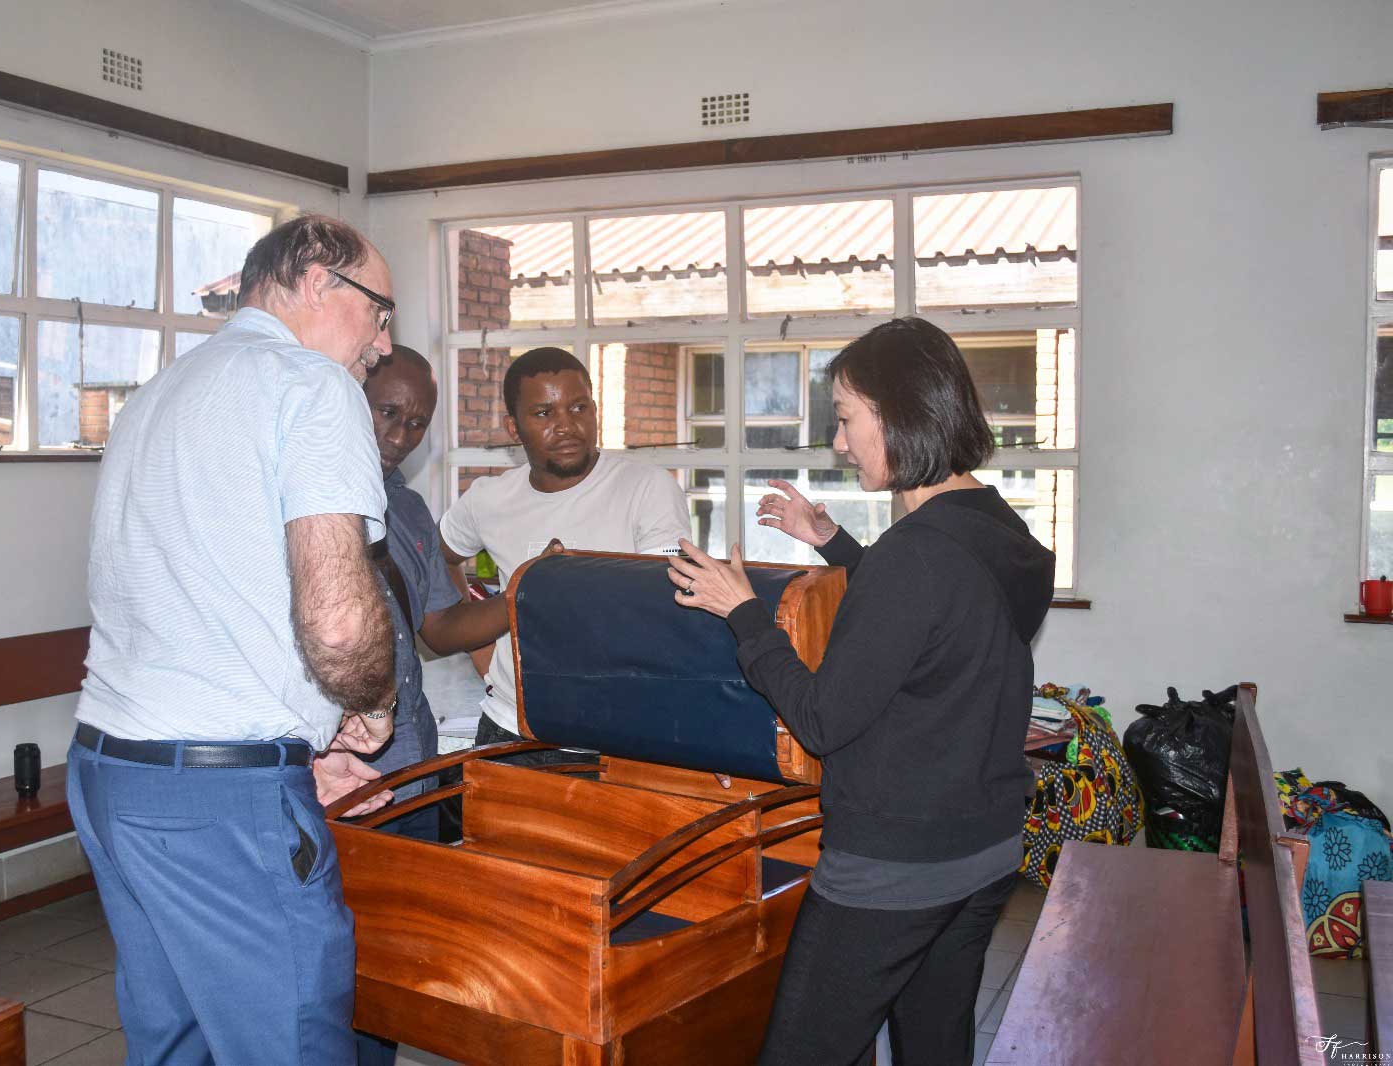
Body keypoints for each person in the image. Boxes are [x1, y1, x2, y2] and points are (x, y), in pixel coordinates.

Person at [667, 317, 1055, 1066]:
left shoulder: (915, 557)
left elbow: (821, 719)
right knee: (935, 1043)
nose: (839, 443)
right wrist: (834, 544)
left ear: (901, 412)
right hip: (986, 847)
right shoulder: (997, 525)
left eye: (846, 419)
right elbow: (943, 612)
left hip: (896, 866)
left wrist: (743, 613)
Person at [68, 215, 401, 1066]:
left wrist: (300, 739)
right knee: (289, 1045)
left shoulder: (160, 392)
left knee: (176, 1041)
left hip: (111, 771)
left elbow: (203, 602)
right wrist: (370, 700)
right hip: (219, 800)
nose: (384, 343)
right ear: (320, 281)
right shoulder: (312, 385)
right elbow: (339, 621)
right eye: (379, 312)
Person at [354, 344, 505, 1065]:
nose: (401, 435)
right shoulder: (295, 499)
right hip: (336, 773)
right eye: (388, 412)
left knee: (392, 966)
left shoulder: (409, 509)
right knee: (332, 961)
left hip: (408, 765)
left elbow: (439, 629)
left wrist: (524, 595)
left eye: (417, 423)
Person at [439, 346, 691, 761]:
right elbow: (440, 557)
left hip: (619, 735)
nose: (567, 426)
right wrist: (483, 650)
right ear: (514, 427)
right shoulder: (489, 498)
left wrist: (560, 583)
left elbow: (668, 608)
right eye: (544, 413)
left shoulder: (647, 487)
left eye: (579, 408)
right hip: (509, 727)